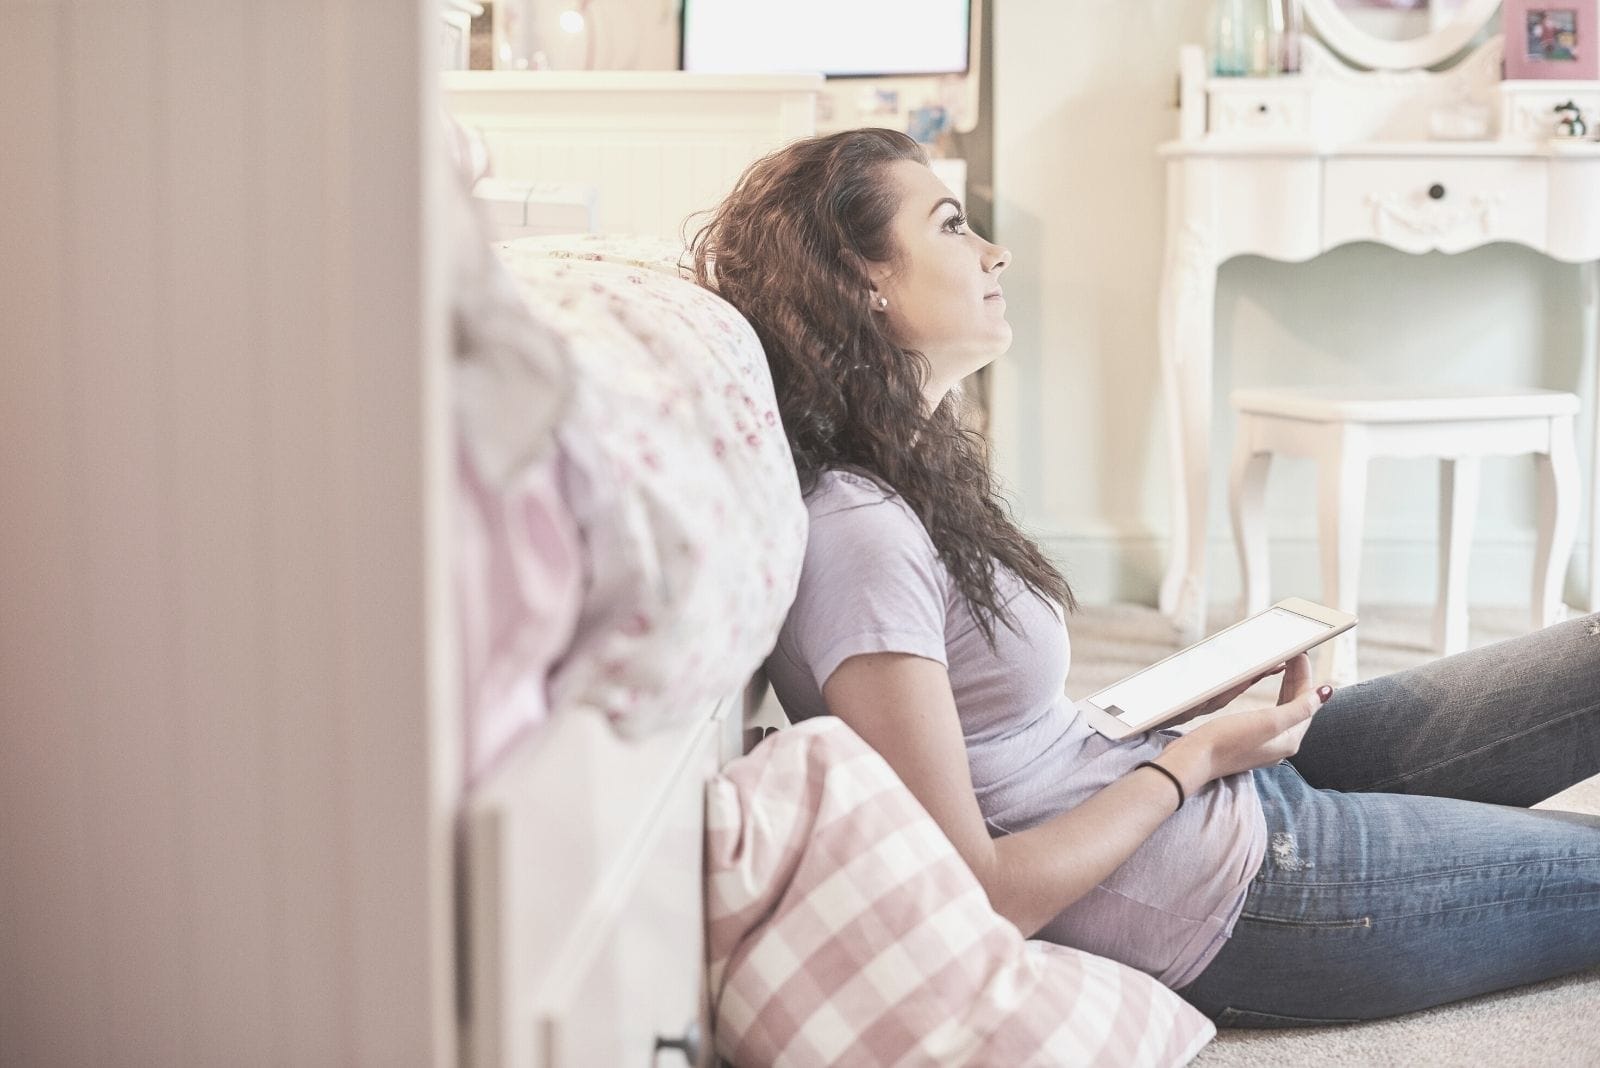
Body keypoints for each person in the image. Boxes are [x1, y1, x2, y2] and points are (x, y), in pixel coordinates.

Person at [689, 127, 1600, 1026]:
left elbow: (1014, 740)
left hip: (1205, 784)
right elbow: (983, 893)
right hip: (1248, 886)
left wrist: (1193, 707)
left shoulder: (910, 468)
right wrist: (1195, 757)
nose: (994, 252)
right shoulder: (859, 535)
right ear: (864, 278)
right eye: (954, 226)